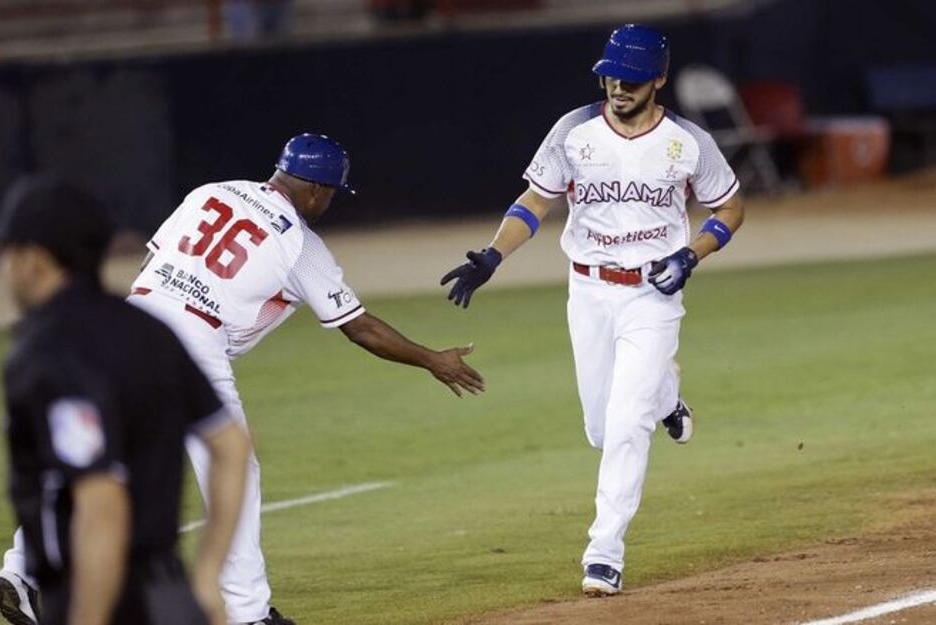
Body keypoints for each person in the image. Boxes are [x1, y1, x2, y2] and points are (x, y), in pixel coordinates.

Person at [92, 133, 478, 624]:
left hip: (133, 319)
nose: (330, 203)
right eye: (333, 194)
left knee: (105, 455)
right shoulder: (299, 242)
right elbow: (360, 327)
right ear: (317, 191)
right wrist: (432, 359)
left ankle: (25, 568)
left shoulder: (210, 191)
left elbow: (152, 263)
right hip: (192, 340)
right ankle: (248, 614)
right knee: (233, 471)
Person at [440, 24, 745, 596]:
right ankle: (666, 395)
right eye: (609, 74)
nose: (617, 86)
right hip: (588, 292)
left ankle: (604, 552)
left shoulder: (687, 142)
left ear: (658, 79)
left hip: (654, 296)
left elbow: (730, 206)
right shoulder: (574, 132)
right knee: (602, 430)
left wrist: (692, 254)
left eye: (630, 78)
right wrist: (491, 255)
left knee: (628, 425)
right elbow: (536, 199)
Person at [0, 177, 251, 625]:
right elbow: (231, 445)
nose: (0, 267)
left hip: (99, 597)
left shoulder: (44, 352)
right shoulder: (149, 331)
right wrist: (207, 577)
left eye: (5, 252)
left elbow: (101, 499)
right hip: (171, 592)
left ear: (33, 258)